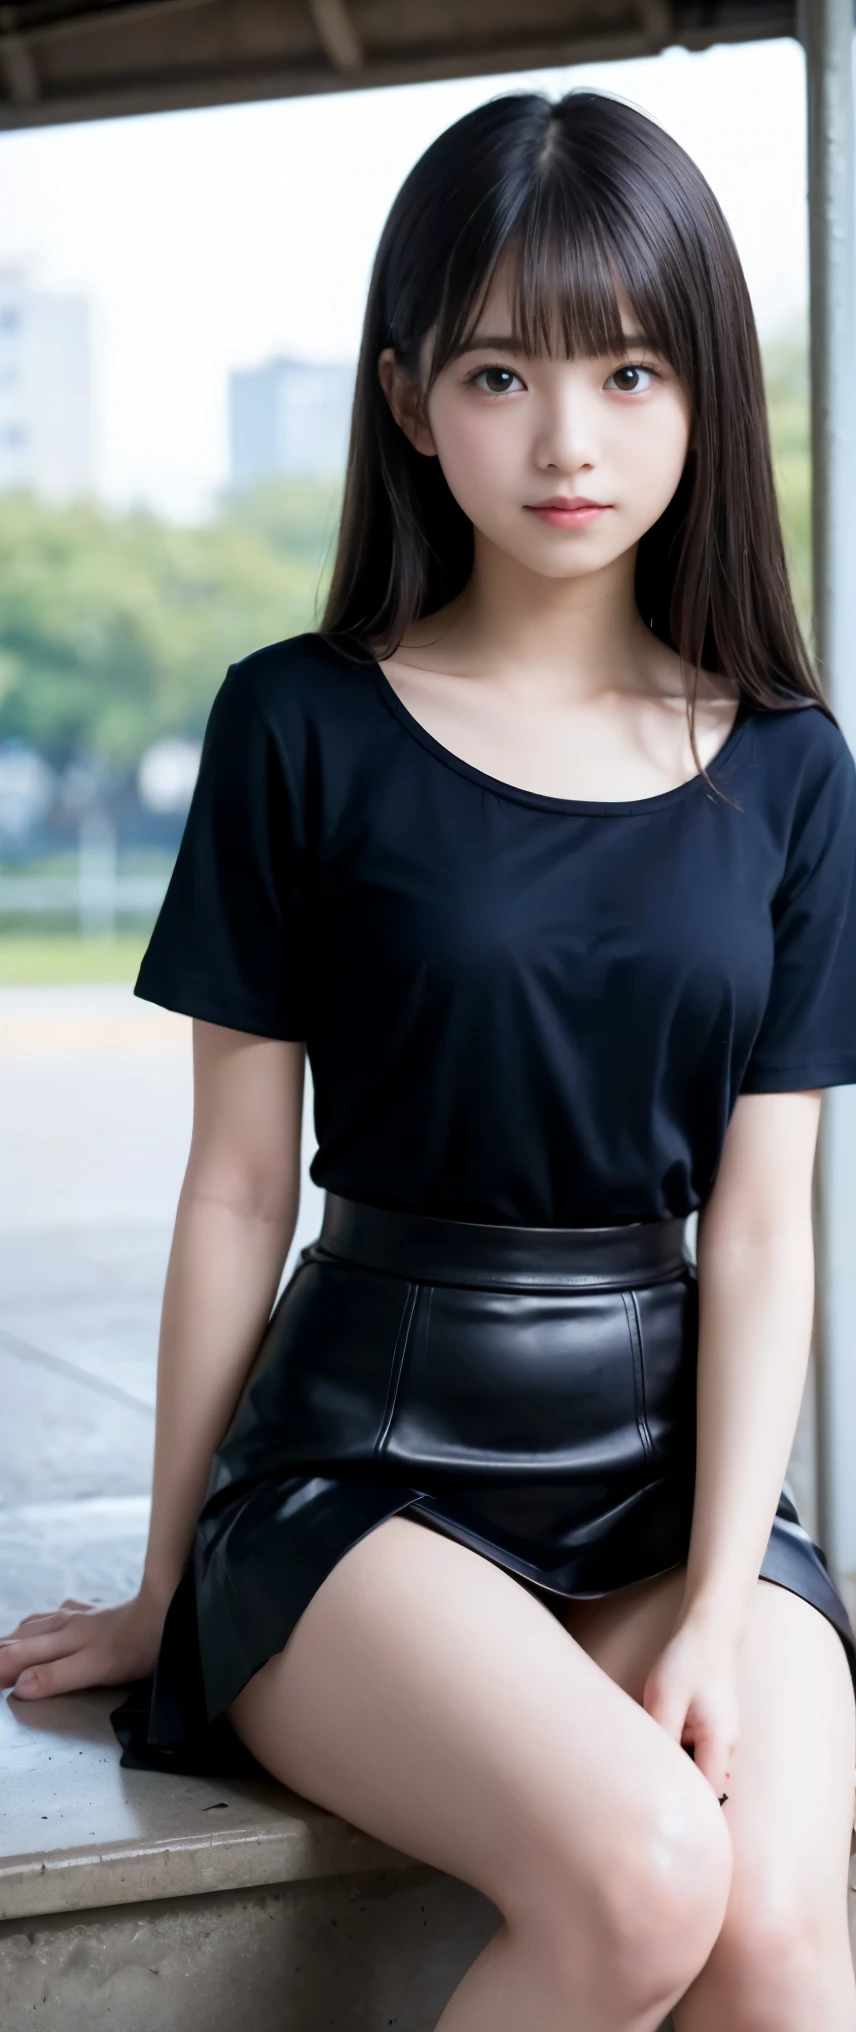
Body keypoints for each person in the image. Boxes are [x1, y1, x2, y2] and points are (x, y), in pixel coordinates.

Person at [3, 84, 856, 2030]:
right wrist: (156, 1591)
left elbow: (759, 1226)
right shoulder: (295, 726)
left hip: (675, 1485)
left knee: (776, 1940)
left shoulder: (793, 768)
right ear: (407, 398)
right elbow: (235, 1185)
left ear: (705, 393)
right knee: (643, 1876)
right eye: (499, 371)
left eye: (629, 368)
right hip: (362, 1474)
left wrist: (723, 1593)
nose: (566, 436)